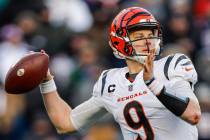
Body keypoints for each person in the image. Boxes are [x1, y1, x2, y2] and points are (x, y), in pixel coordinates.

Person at [39, 7, 201, 140]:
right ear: (119, 41)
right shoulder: (109, 81)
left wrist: (153, 84)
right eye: (139, 36)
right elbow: (66, 123)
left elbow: (193, 114)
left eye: (151, 34)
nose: (147, 41)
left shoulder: (170, 66)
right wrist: (46, 82)